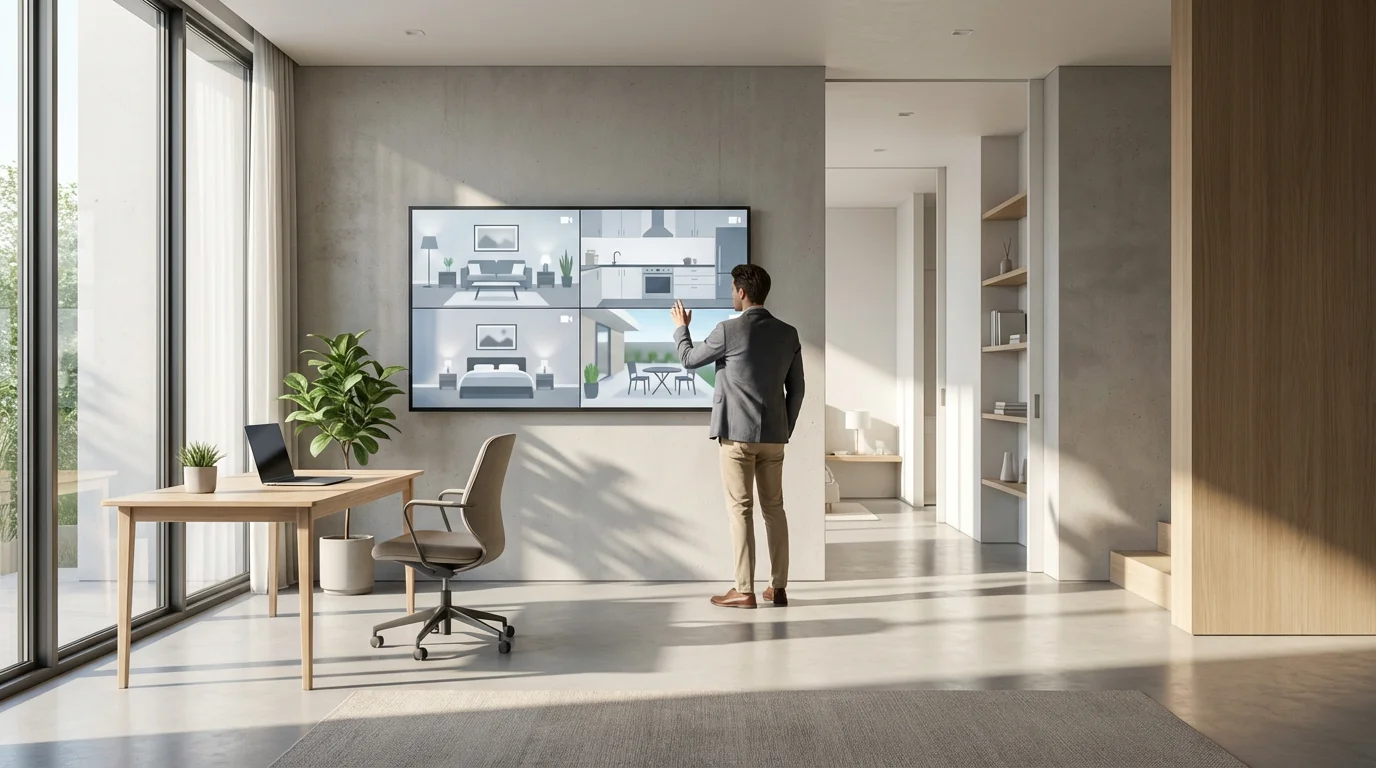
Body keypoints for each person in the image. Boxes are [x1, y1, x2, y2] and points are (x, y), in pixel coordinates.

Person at [671, 264, 805, 609]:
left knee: (741, 511)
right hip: (775, 437)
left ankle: (744, 590)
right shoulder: (788, 333)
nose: (732, 294)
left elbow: (688, 359)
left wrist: (681, 328)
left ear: (742, 292)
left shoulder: (729, 331)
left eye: (732, 289)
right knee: (775, 509)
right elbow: (798, 389)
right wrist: (783, 429)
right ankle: (778, 588)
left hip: (737, 438)